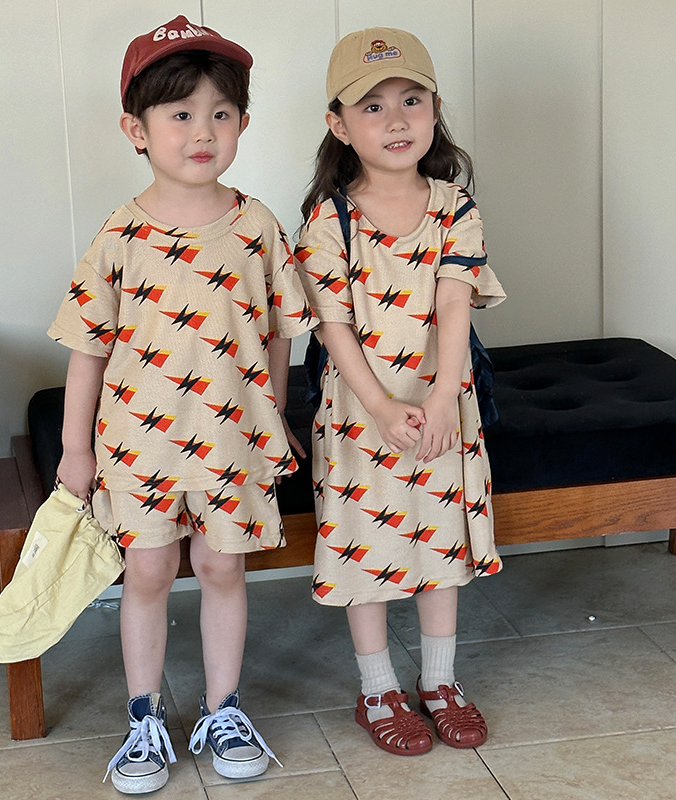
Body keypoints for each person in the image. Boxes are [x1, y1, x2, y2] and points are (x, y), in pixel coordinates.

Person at [48, 15, 314, 793]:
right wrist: (75, 449)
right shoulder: (119, 236)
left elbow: (277, 335)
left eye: (221, 113)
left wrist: (275, 419)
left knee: (223, 566)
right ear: (136, 128)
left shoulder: (258, 226)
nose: (203, 132)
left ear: (244, 125)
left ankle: (223, 709)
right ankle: (143, 718)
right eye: (181, 113)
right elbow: (87, 350)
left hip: (234, 442)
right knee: (149, 569)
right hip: (139, 444)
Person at [295, 26, 506, 756]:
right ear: (339, 124)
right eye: (373, 106)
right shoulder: (330, 220)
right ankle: (378, 687)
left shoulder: (455, 206)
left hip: (444, 400)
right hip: (363, 412)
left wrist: (443, 397)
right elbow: (332, 326)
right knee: (369, 550)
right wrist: (383, 407)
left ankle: (440, 682)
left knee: (440, 542)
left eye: (412, 100)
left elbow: (453, 302)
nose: (396, 120)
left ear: (435, 110)